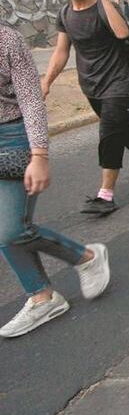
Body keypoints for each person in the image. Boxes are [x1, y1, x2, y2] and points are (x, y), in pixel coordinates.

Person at [0, 24, 110, 338]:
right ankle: (41, 297)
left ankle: (85, 257)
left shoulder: (8, 40)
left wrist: (39, 155)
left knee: (11, 229)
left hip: (12, 138)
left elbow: (31, 100)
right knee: (5, 230)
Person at [40, 0, 129, 216]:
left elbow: (120, 33)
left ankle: (105, 195)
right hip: (91, 86)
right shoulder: (64, 14)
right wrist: (46, 82)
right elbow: (61, 52)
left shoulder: (105, 7)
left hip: (118, 83)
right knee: (122, 129)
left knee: (108, 134)